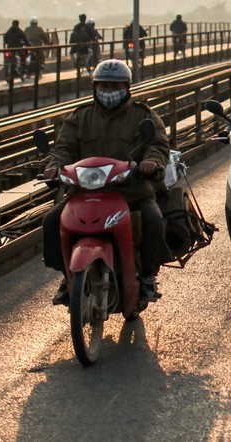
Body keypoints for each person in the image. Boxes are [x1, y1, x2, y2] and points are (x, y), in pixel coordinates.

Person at [38, 59, 171, 304]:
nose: (109, 92)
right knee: (51, 221)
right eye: (104, 86)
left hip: (131, 192)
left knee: (153, 219)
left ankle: (149, 277)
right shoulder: (80, 117)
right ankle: (67, 276)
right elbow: (63, 148)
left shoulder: (143, 116)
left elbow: (158, 145)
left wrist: (150, 163)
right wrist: (53, 166)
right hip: (83, 193)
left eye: (115, 86)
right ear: (95, 87)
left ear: (127, 87)